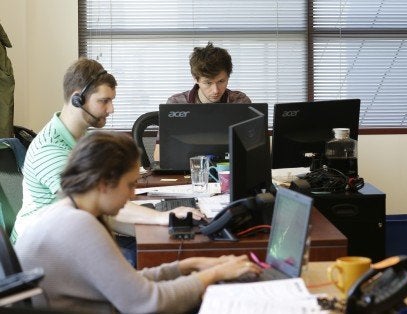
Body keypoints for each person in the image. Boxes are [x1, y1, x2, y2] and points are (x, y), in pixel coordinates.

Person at [15, 131, 261, 313]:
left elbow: (131, 283)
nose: (133, 195)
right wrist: (215, 273)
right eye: (130, 185)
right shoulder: (78, 225)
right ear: (103, 183)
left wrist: (191, 264)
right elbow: (148, 303)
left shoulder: (69, 210)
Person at [12, 58, 203, 266]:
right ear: (78, 99)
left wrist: (163, 223)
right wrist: (162, 217)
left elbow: (102, 209)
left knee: (165, 245)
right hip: (44, 254)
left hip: (76, 235)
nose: (111, 109)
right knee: (155, 256)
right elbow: (93, 201)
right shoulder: (50, 149)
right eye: (104, 101)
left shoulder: (81, 139)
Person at [154, 41, 251, 161]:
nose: (216, 90)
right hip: (188, 172)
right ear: (196, 78)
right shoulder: (176, 104)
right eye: (208, 83)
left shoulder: (240, 102)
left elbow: (253, 149)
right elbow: (159, 156)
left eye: (221, 81)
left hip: (230, 171)